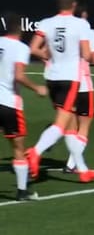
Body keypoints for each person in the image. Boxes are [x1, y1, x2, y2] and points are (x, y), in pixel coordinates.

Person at [28, 0, 94, 182]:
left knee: (68, 127)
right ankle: (36, 151)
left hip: (52, 77)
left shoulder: (46, 23)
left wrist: (47, 54)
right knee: (61, 125)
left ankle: (83, 170)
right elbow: (86, 55)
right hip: (70, 79)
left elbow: (33, 48)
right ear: (74, 5)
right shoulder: (80, 25)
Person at [0, 12, 47, 200]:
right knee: (18, 147)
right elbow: (18, 75)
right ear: (20, 28)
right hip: (9, 103)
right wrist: (37, 88)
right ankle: (21, 191)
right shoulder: (20, 48)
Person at [63, 4, 94, 174]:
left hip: (65, 83)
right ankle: (72, 163)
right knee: (84, 124)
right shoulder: (88, 32)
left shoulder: (64, 31)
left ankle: (71, 161)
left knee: (71, 123)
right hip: (82, 84)